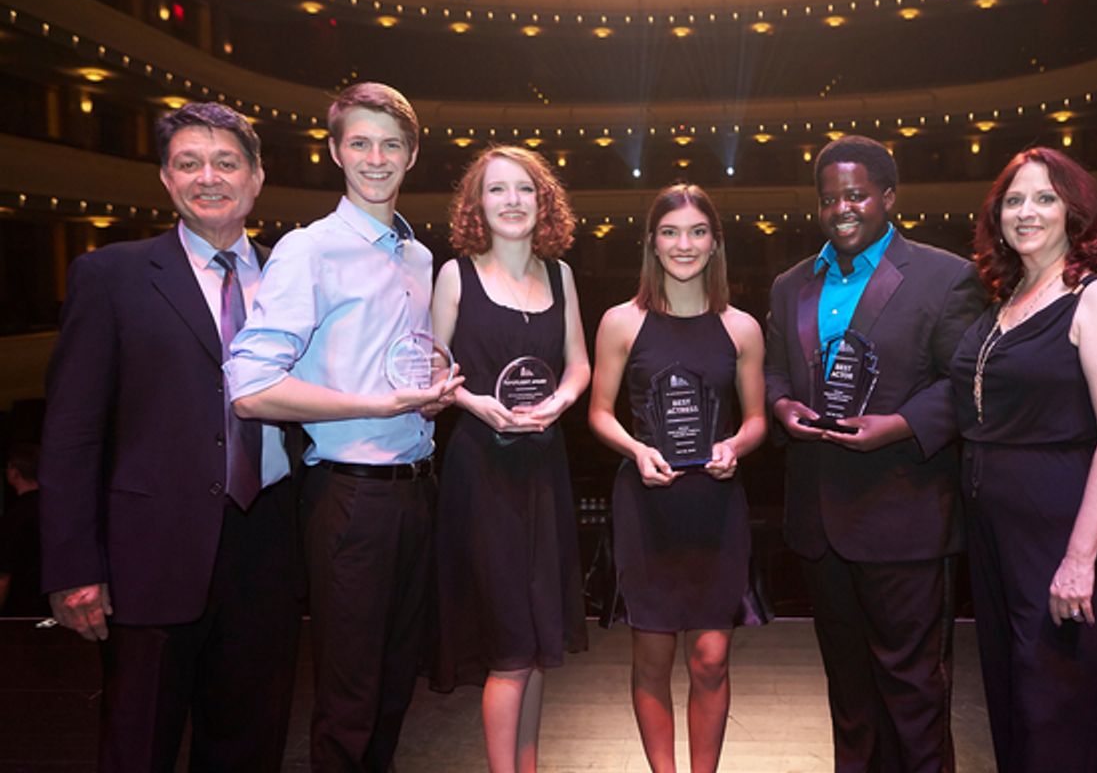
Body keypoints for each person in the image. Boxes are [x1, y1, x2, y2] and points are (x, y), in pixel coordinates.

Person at [38, 102, 303, 771]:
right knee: (138, 746)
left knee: (251, 745)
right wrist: (73, 567)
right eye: (189, 163)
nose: (207, 177)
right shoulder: (112, 276)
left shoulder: (291, 279)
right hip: (147, 555)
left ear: (256, 177)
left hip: (267, 545)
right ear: (165, 179)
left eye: (225, 162)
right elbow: (71, 434)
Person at [228, 82, 462, 772]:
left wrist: (428, 394)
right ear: (335, 152)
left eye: (391, 143)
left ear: (412, 154)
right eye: (359, 142)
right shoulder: (309, 250)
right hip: (348, 497)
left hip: (418, 491)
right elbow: (251, 389)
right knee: (349, 698)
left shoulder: (417, 257)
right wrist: (371, 404)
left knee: (395, 690)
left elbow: (397, 366)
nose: (375, 157)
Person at [764, 135, 985, 772]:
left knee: (913, 692)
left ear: (888, 197)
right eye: (829, 198)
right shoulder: (790, 285)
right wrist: (782, 408)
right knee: (849, 694)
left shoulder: (947, 277)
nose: (842, 208)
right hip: (819, 520)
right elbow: (777, 376)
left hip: (904, 514)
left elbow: (965, 383)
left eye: (856, 194)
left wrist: (900, 424)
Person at [949, 147, 1097, 771]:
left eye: (1044, 197)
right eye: (1013, 200)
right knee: (1014, 699)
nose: (1027, 212)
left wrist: (1079, 559)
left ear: (1075, 210)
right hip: (1002, 532)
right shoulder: (1005, 301)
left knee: (1058, 707)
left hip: (1073, 527)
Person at [589, 183, 769, 773]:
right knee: (652, 658)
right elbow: (598, 413)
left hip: (716, 506)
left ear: (715, 244)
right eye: (670, 232)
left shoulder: (741, 327)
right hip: (646, 504)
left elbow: (758, 420)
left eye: (696, 232)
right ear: (652, 243)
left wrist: (735, 446)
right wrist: (636, 449)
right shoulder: (621, 321)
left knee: (712, 659)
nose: (683, 244)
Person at [429, 145, 590, 772]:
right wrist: (474, 403)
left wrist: (561, 401)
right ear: (477, 205)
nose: (512, 201)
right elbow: (432, 368)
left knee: (539, 640)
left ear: (542, 199)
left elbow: (578, 363)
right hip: (482, 470)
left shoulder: (561, 275)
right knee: (509, 648)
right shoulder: (455, 274)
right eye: (497, 191)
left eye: (524, 189)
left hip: (544, 467)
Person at [0, 442, 47, 617]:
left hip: (21, 609)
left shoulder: (14, 518)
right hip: (59, 604)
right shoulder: (61, 513)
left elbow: (4, 574)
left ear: (14, 472)